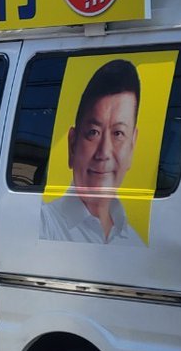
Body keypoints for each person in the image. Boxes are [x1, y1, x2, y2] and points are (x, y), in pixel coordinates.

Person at [40, 57, 143, 245]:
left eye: (118, 133)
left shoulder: (133, 240)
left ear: (132, 146)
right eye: (93, 132)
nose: (104, 152)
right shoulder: (45, 224)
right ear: (72, 144)